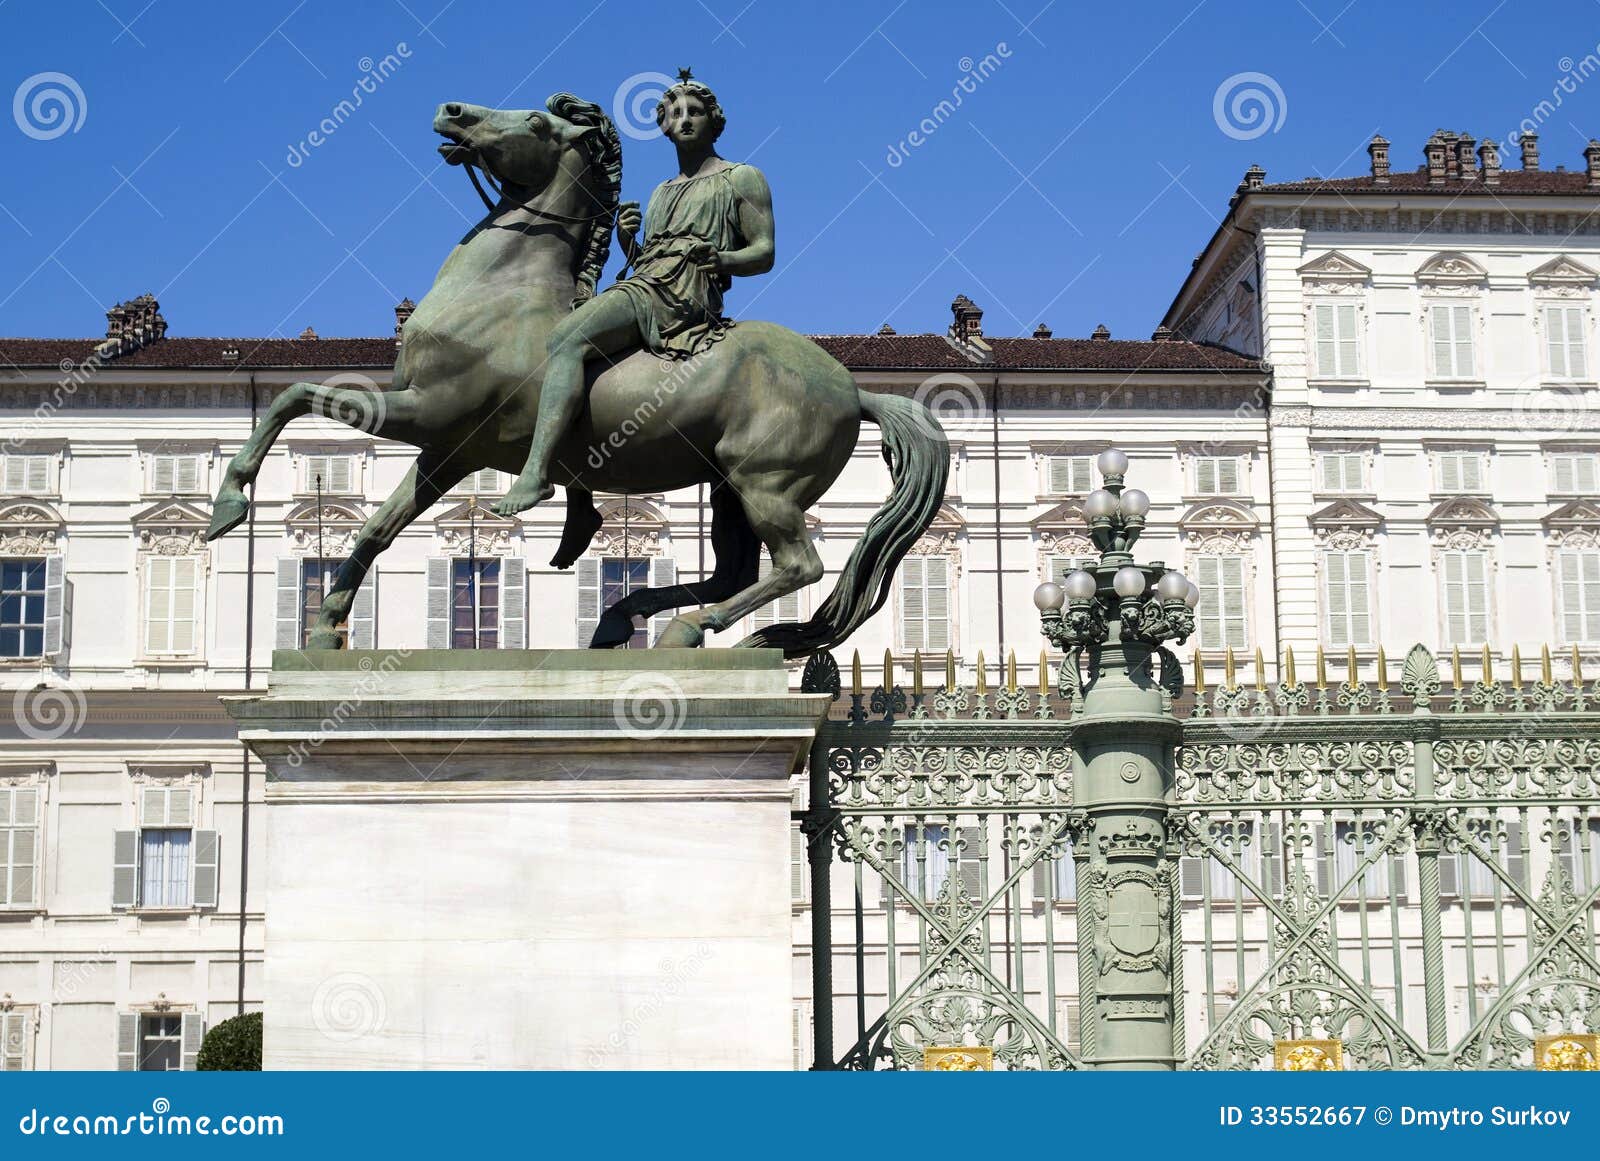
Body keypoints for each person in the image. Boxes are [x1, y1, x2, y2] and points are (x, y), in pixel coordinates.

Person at [493, 71, 775, 516]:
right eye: (675, 113)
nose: (685, 120)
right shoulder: (662, 191)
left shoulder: (742, 178)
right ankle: (579, 504)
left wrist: (720, 258)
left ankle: (535, 474)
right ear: (663, 125)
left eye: (695, 112)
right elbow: (651, 259)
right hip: (646, 283)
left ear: (714, 121)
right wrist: (630, 244)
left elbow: (764, 252)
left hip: (685, 293)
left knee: (566, 339)